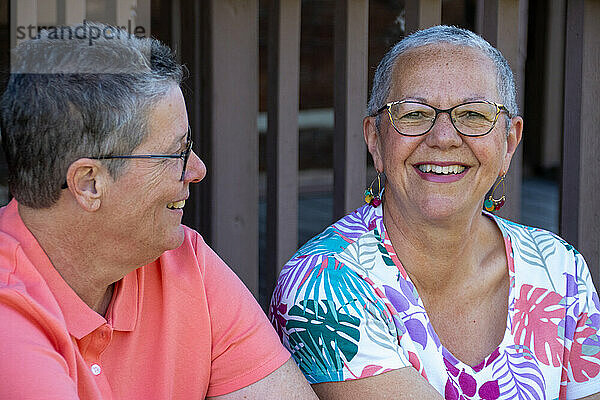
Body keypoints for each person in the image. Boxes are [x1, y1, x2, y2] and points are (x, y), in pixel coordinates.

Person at [269, 25, 600, 399]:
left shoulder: (560, 270)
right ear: (375, 141)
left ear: (509, 143)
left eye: (474, 115)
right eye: (413, 114)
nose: (443, 137)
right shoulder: (322, 285)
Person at [0, 22, 317, 400]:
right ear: (89, 183)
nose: (197, 170)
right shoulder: (8, 312)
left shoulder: (185, 261)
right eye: (177, 152)